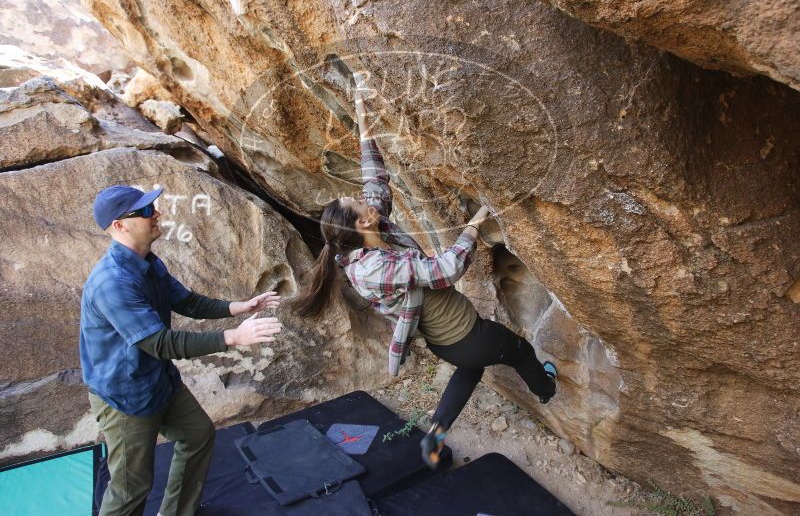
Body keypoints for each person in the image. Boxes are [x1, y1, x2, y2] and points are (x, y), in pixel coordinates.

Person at [293, 75, 557, 468]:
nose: (367, 201)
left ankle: (435, 434)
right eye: (360, 204)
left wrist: (363, 116)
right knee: (519, 350)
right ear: (361, 224)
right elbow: (445, 270)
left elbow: (375, 178)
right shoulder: (373, 269)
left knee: (470, 371)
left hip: (448, 341)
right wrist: (474, 223)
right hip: (465, 333)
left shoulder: (372, 230)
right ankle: (547, 389)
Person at [80, 185, 283, 516]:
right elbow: (160, 343)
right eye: (145, 211)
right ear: (120, 225)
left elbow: (187, 301)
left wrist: (241, 307)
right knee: (132, 487)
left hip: (157, 379)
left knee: (198, 434)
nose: (156, 213)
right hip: (126, 395)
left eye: (153, 207)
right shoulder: (112, 282)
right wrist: (234, 337)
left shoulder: (147, 262)